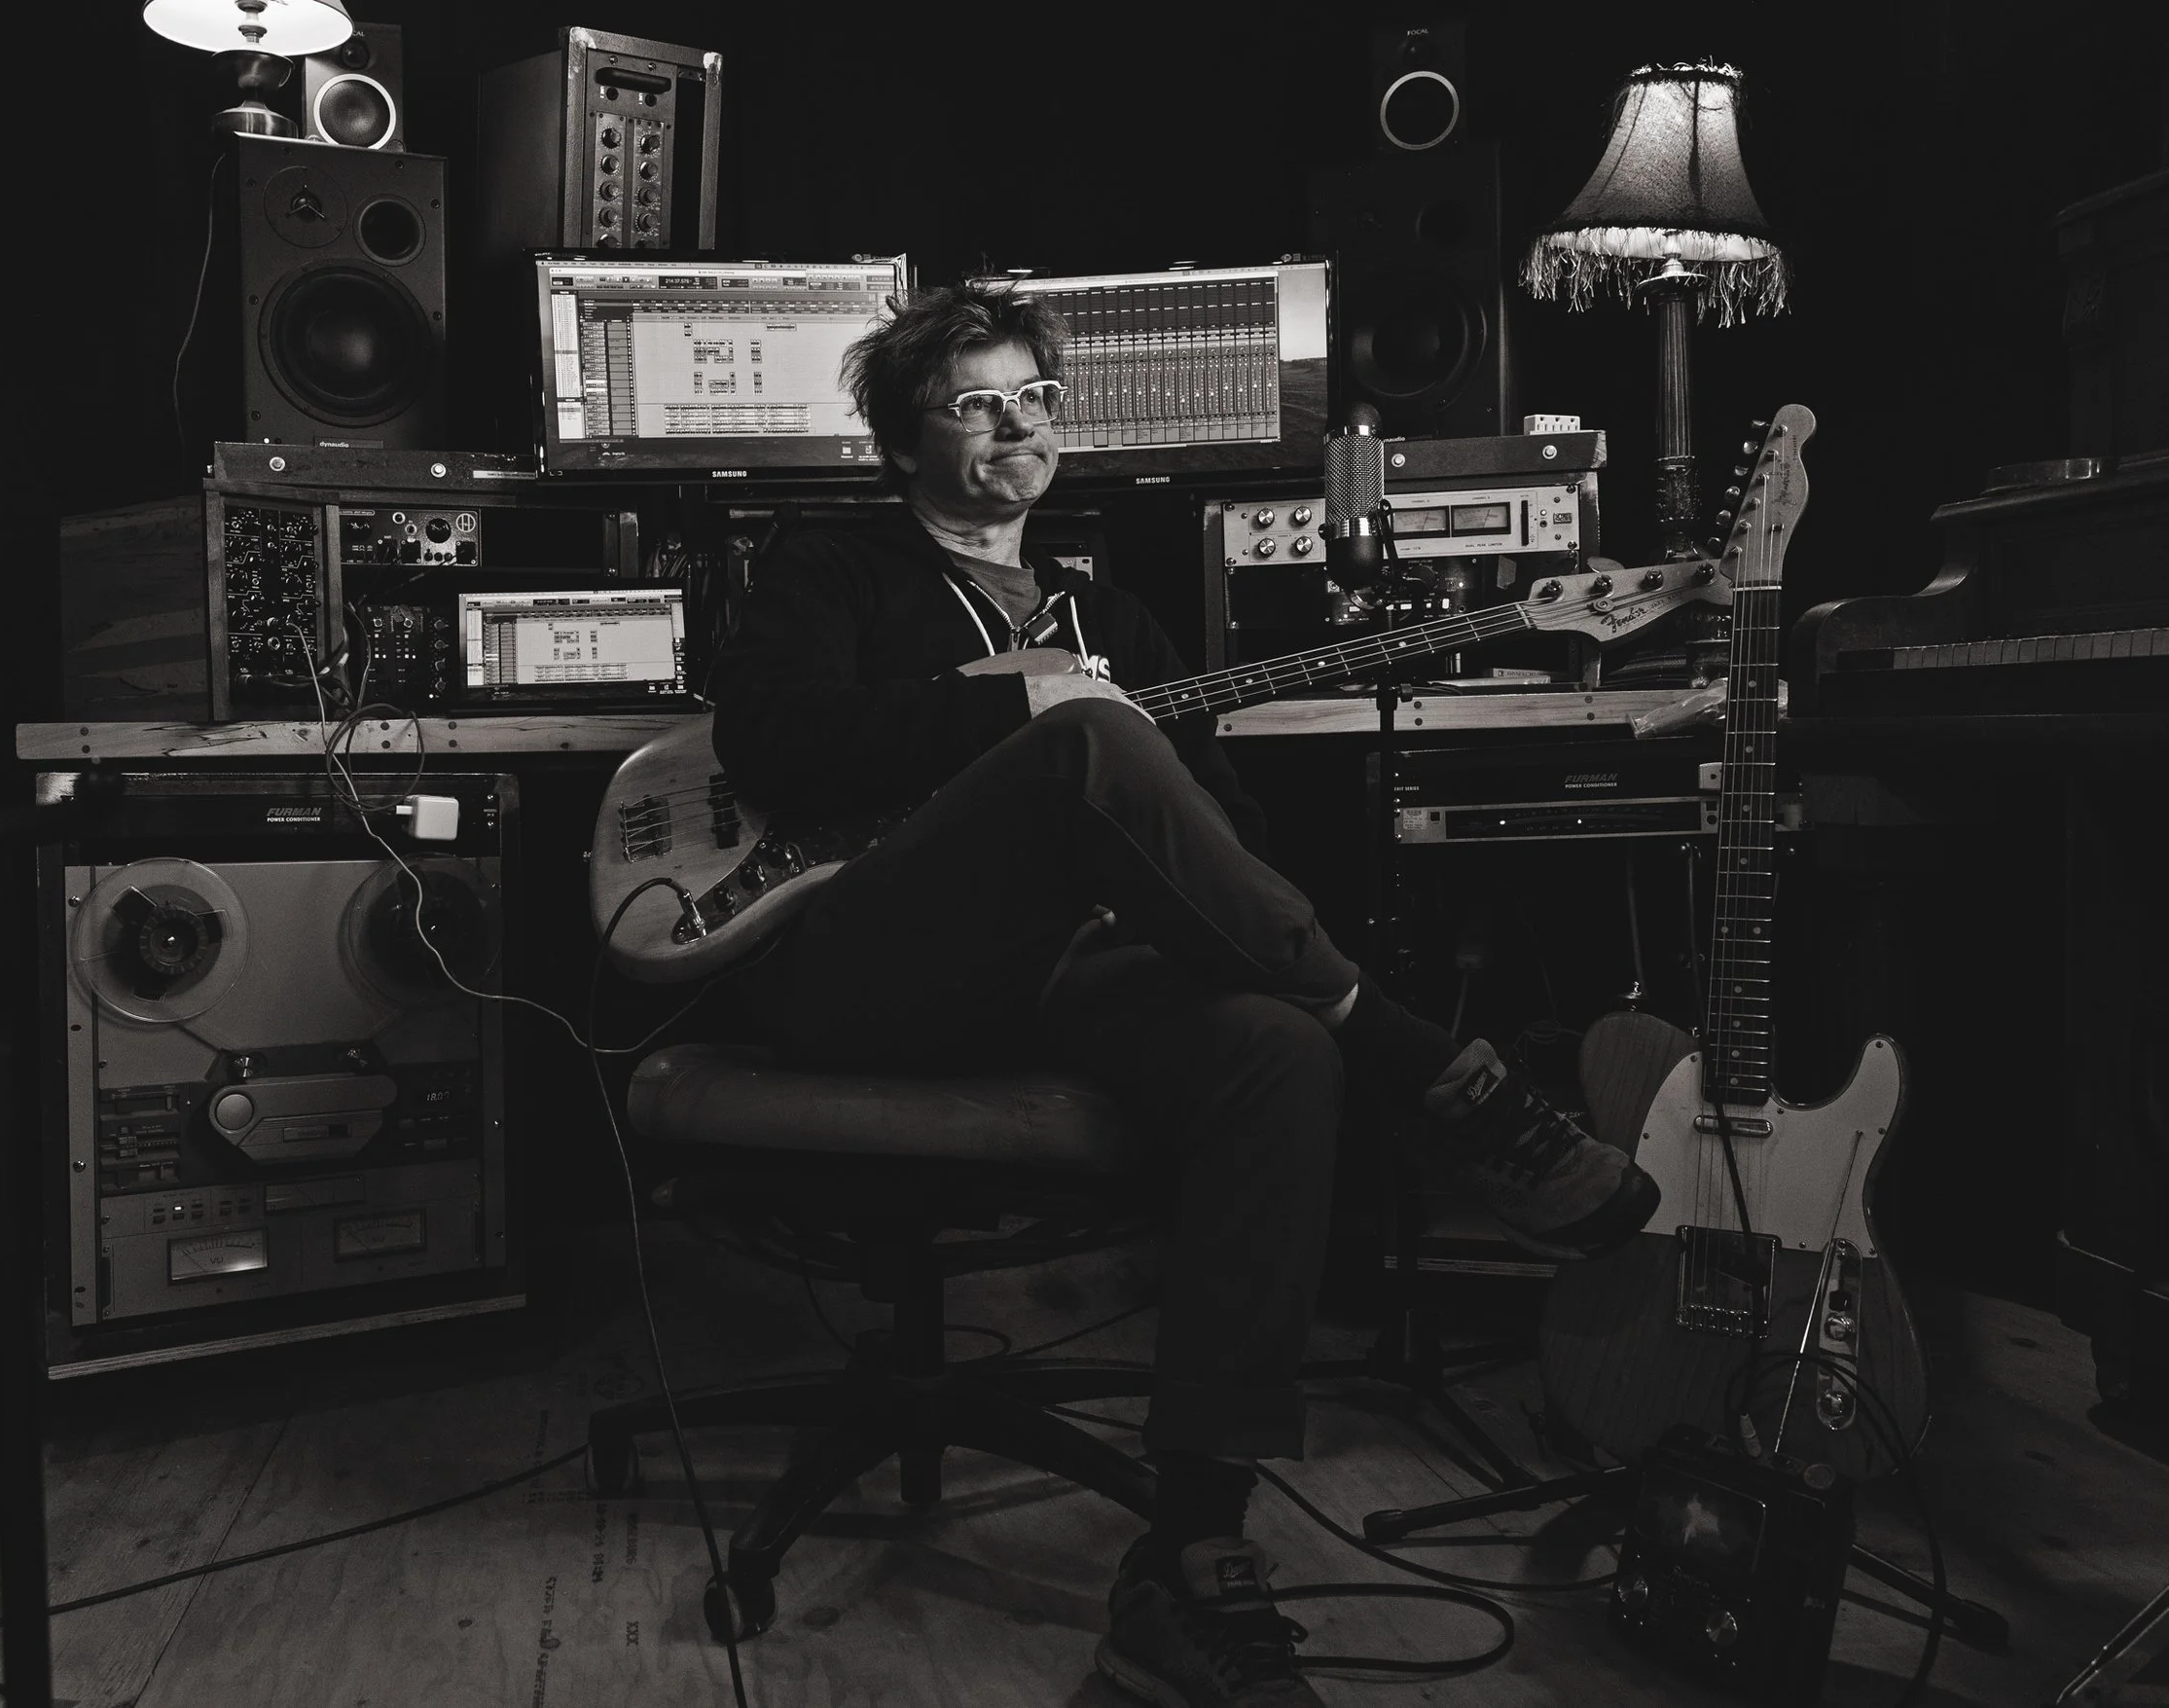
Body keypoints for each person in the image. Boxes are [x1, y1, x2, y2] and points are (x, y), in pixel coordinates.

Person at [705, 281, 1658, 1708]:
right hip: (863, 963)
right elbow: (769, 737)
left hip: (1072, 980)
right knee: (1088, 739)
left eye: (1035, 398)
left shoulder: (1122, 618)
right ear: (904, 443)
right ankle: (1440, 1071)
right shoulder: (831, 570)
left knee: (1279, 1047)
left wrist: (1141, 826)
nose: (1016, 426)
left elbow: (1234, 850)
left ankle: (1189, 1550)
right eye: (976, 402)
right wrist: (1028, 711)